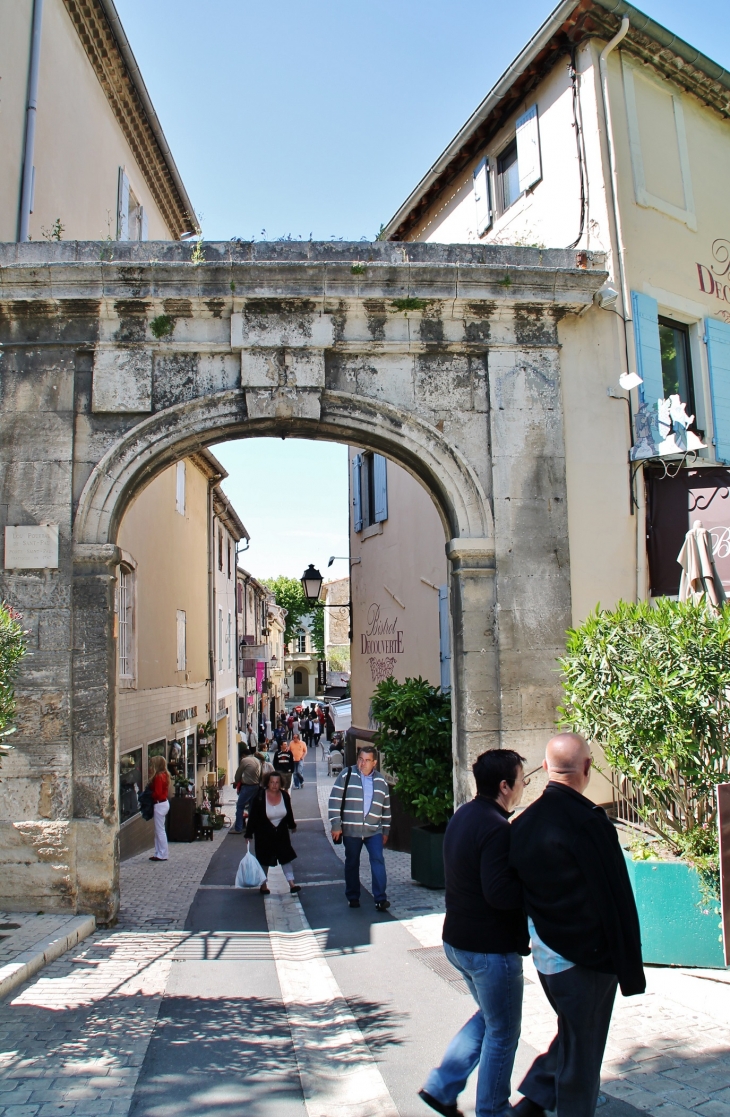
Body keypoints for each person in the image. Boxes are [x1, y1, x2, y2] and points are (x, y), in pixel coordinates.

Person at [509, 734, 645, 1117]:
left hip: (547, 957)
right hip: (589, 962)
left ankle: (533, 1101)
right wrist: (628, 965)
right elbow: (616, 898)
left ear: (547, 767)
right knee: (582, 1062)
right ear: (586, 769)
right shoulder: (589, 823)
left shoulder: (522, 824)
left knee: (573, 1033)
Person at [419, 749, 529, 1117]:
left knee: (489, 1017)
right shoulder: (497, 829)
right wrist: (535, 888)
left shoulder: (465, 814)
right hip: (489, 948)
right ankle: (493, 1109)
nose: (524, 785)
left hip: (458, 940)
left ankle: (442, 1086)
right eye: (521, 779)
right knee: (503, 1031)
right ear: (504, 786)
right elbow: (499, 892)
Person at [328, 745, 391, 911]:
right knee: (352, 862)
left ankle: (380, 898)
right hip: (351, 829)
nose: (363, 763)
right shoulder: (347, 774)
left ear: (375, 763)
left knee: (378, 860)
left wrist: (385, 830)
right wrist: (336, 824)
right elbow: (334, 800)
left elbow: (386, 808)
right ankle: (353, 896)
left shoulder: (381, 782)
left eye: (367, 760)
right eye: (360, 759)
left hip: (374, 830)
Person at [244, 771, 301, 894]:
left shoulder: (285, 796)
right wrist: (249, 833)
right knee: (264, 859)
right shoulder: (259, 797)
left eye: (277, 782)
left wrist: (292, 825)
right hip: (264, 833)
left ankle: (292, 884)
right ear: (267, 783)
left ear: (280, 783)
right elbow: (253, 816)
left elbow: (289, 813)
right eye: (272, 782)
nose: (274, 785)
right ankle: (263, 885)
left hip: (281, 832)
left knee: (286, 857)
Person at [232, 751, 263, 833]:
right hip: (256, 786)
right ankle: (252, 827)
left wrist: (236, 782)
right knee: (252, 807)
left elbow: (238, 774)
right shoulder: (257, 760)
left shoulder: (244, 760)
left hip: (247, 786)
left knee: (240, 806)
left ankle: (238, 828)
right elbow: (261, 774)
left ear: (243, 755)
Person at [148, 755, 171, 862]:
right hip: (164, 803)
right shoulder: (165, 775)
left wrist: (149, 795)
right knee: (159, 830)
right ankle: (159, 852)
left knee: (160, 831)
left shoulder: (158, 776)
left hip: (159, 804)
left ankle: (162, 853)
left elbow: (157, 793)